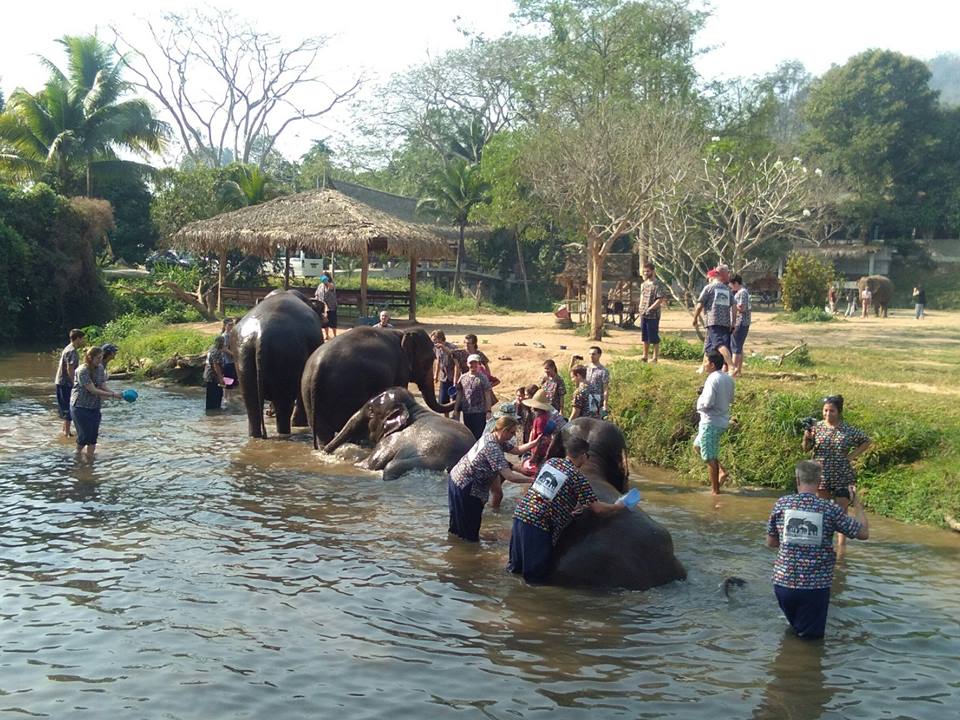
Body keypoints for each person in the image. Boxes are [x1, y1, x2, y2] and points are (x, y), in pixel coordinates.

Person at [766, 460, 869, 639]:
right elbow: (863, 533)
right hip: (814, 588)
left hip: (783, 584)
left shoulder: (781, 504)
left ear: (797, 480)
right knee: (810, 642)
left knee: (795, 630)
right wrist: (857, 503)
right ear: (820, 481)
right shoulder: (830, 509)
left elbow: (771, 542)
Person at [507, 437, 625, 583]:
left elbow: (543, 491)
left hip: (520, 514)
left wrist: (567, 511)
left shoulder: (550, 463)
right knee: (535, 578)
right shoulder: (577, 477)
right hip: (538, 524)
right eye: (587, 456)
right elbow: (598, 508)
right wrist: (618, 506)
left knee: (515, 569)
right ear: (583, 455)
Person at [801, 394, 871, 552]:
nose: (827, 414)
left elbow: (866, 441)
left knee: (841, 512)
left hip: (842, 474)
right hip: (821, 475)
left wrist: (852, 456)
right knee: (820, 509)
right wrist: (807, 437)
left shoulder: (848, 430)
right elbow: (806, 449)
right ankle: (821, 541)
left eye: (831, 411)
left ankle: (841, 547)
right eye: (825, 411)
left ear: (839, 412)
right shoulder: (816, 427)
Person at [448, 416, 528, 542]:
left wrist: (536, 442)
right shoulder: (493, 447)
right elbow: (509, 476)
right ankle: (470, 554)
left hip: (456, 480)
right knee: (470, 531)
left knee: (457, 527)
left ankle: (454, 547)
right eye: (512, 433)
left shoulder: (490, 436)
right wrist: (533, 480)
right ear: (505, 430)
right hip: (467, 487)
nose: (513, 436)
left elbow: (516, 450)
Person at [70, 346, 123, 463]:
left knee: (93, 436)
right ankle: (77, 456)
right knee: (84, 436)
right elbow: (92, 390)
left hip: (94, 406)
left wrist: (115, 393)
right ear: (89, 357)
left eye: (101, 357)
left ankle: (90, 461)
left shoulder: (100, 368)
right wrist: (113, 395)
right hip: (80, 407)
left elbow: (102, 385)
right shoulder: (81, 371)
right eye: (98, 358)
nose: (100, 360)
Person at [694, 351, 735, 495]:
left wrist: (700, 404)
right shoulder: (728, 378)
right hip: (721, 419)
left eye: (705, 361)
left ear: (711, 364)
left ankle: (715, 492)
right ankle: (722, 471)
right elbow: (731, 399)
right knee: (698, 446)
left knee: (709, 457)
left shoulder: (712, 379)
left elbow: (708, 402)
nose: (704, 364)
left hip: (711, 422)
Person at [692, 266, 734, 372]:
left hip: (713, 321)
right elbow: (734, 305)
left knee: (720, 345)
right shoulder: (727, 289)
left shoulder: (709, 288)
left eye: (708, 279)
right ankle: (705, 366)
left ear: (712, 277)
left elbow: (700, 304)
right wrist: (732, 321)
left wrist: (695, 318)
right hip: (725, 321)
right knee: (709, 346)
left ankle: (731, 366)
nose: (708, 281)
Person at [515, 389, 562, 476]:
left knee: (535, 474)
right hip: (544, 451)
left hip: (540, 453)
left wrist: (534, 456)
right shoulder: (545, 416)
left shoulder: (540, 420)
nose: (532, 408)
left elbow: (541, 440)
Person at [55, 328, 86, 437]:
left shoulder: (68, 348)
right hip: (65, 383)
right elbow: (70, 368)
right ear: (77, 338)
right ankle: (67, 433)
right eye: (83, 339)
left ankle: (65, 430)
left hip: (62, 381)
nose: (84, 341)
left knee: (66, 406)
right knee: (69, 407)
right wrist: (74, 383)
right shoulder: (71, 350)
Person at [454, 353, 493, 439]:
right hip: (467, 412)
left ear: (479, 364)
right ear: (467, 364)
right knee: (468, 436)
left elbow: (487, 395)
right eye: (471, 363)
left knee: (478, 436)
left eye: (476, 363)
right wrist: (456, 409)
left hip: (479, 413)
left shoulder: (483, 378)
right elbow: (460, 394)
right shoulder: (463, 377)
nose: (473, 365)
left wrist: (488, 411)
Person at [638, 262, 667, 363]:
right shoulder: (643, 284)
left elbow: (659, 300)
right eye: (644, 271)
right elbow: (642, 296)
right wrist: (640, 307)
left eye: (648, 271)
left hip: (653, 315)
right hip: (643, 313)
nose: (646, 273)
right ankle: (644, 356)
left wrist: (650, 308)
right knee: (644, 335)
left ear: (653, 271)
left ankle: (655, 357)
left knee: (653, 336)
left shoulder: (658, 284)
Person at [728, 274, 751, 378]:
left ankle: (732, 370)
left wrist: (732, 305)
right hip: (742, 322)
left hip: (740, 322)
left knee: (735, 347)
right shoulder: (742, 292)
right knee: (739, 347)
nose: (731, 287)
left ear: (736, 283)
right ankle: (738, 370)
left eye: (731, 285)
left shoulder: (742, 293)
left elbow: (742, 308)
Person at [431, 330, 459, 406]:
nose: (433, 342)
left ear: (440, 339)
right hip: (444, 377)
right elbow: (438, 361)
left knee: (455, 399)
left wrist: (455, 380)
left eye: (434, 340)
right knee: (443, 400)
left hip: (453, 377)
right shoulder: (437, 348)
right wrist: (436, 375)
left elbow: (457, 364)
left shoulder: (452, 347)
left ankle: (455, 416)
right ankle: (446, 416)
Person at [204, 335, 227, 411]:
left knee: (211, 395)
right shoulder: (216, 352)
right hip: (213, 376)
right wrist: (220, 378)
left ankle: (212, 411)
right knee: (216, 394)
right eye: (223, 342)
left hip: (209, 375)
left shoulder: (212, 349)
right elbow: (216, 366)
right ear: (221, 343)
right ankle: (215, 412)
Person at [585, 346, 610, 417]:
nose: (591, 356)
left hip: (595, 399)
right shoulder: (585, 368)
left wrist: (605, 403)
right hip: (584, 397)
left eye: (593, 354)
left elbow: (606, 388)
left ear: (599, 355)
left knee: (593, 419)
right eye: (590, 354)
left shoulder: (603, 371)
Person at [315, 275, 338, 339]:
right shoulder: (320, 286)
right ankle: (327, 335)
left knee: (333, 321)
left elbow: (331, 288)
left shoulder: (331, 284)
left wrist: (327, 282)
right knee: (325, 322)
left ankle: (335, 335)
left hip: (331, 306)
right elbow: (317, 294)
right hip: (322, 306)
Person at [220, 319, 237, 395]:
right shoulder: (224, 336)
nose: (231, 326)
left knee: (232, 379)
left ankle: (229, 396)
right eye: (229, 325)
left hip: (232, 361)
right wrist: (234, 354)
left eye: (232, 325)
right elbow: (224, 348)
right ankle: (226, 397)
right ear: (225, 326)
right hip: (227, 361)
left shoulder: (231, 334)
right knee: (228, 379)